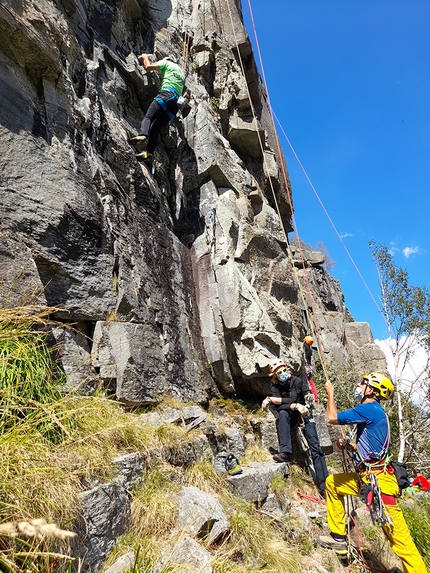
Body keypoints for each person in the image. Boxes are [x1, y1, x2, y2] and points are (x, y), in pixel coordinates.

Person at [317, 372, 426, 573]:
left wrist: (330, 393)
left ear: (371, 389)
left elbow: (332, 417)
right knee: (333, 483)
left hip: (380, 483)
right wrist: (350, 445)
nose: (359, 385)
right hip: (370, 478)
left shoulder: (369, 409)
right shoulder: (375, 412)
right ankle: (339, 538)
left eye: (363, 383)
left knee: (400, 541)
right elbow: (370, 449)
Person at [262, 359, 328, 497]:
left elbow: (293, 398)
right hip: (291, 414)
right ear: (275, 375)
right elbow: (283, 406)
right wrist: (290, 405)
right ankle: (286, 452)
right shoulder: (275, 386)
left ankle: (325, 485)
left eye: (284, 370)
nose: (283, 373)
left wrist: (273, 400)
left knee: (315, 447)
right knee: (283, 414)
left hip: (303, 413)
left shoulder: (296, 381)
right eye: (279, 372)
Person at [129, 54, 185, 160]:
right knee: (155, 128)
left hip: (166, 95)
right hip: (175, 105)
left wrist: (145, 57)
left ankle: (143, 134)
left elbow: (149, 67)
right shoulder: (181, 73)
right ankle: (148, 153)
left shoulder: (166, 63)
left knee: (148, 117)